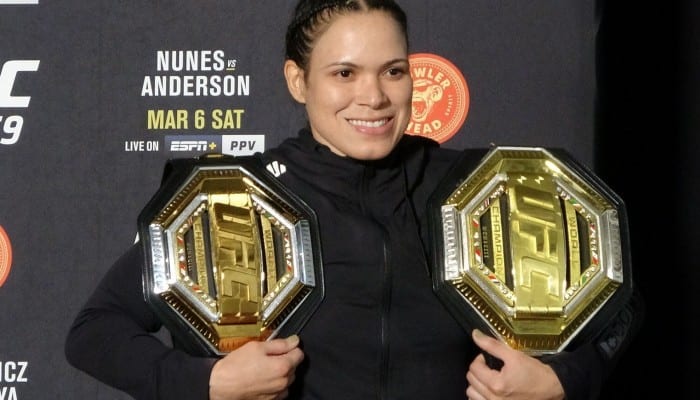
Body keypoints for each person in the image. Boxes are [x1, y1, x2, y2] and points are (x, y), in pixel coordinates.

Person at [64, 1, 644, 399]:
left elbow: (621, 308)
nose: (373, 96)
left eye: (393, 71)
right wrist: (205, 384)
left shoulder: (483, 189)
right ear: (298, 81)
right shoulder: (233, 201)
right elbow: (95, 331)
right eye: (344, 73)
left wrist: (566, 379)